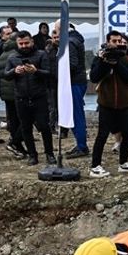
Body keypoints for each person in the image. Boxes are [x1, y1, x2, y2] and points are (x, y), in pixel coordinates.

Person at [87, 30, 128, 178]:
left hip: (124, 104)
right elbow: (94, 77)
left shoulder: (127, 59)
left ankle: (123, 163)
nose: (117, 44)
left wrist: (116, 64)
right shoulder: (99, 58)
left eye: (119, 41)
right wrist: (105, 62)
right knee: (102, 136)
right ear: (108, 41)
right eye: (114, 41)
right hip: (106, 104)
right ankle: (95, 166)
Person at [5, 31, 56, 166]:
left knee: (44, 127)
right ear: (17, 43)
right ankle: (32, 155)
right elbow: (5, 75)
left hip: (39, 97)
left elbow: (49, 73)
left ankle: (49, 154)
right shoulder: (12, 57)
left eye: (26, 43)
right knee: (26, 128)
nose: (24, 46)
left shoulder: (41, 54)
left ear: (32, 42)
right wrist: (14, 71)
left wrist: (36, 71)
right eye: (20, 44)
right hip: (21, 97)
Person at [51, 21, 90, 159]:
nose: (55, 34)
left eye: (55, 31)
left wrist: (59, 71)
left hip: (73, 82)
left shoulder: (70, 42)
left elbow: (72, 64)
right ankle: (80, 144)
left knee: (75, 114)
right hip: (75, 81)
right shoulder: (74, 39)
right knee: (74, 113)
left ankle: (82, 145)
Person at [0, 26, 27, 158]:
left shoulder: (4, 52)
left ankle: (18, 146)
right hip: (16, 90)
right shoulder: (15, 54)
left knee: (14, 120)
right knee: (24, 119)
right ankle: (15, 142)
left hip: (6, 92)